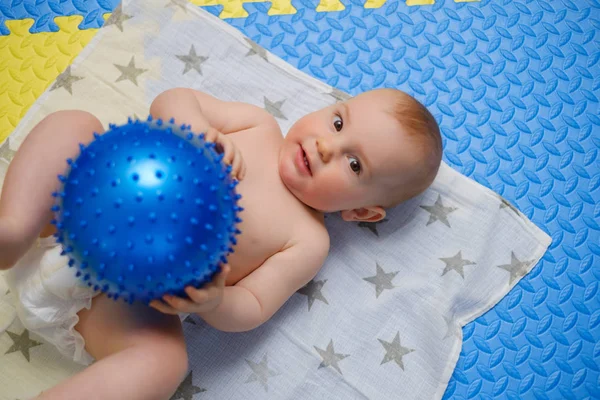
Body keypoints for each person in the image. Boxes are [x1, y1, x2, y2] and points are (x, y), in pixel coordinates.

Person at [0, 87, 442, 399]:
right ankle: (14, 228)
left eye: (354, 164)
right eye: (338, 121)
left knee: (166, 364)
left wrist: (212, 301)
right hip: (67, 221)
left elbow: (252, 306)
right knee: (75, 124)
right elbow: (174, 99)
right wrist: (191, 128)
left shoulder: (307, 240)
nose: (327, 145)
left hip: (111, 305)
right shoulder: (257, 125)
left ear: (362, 212)